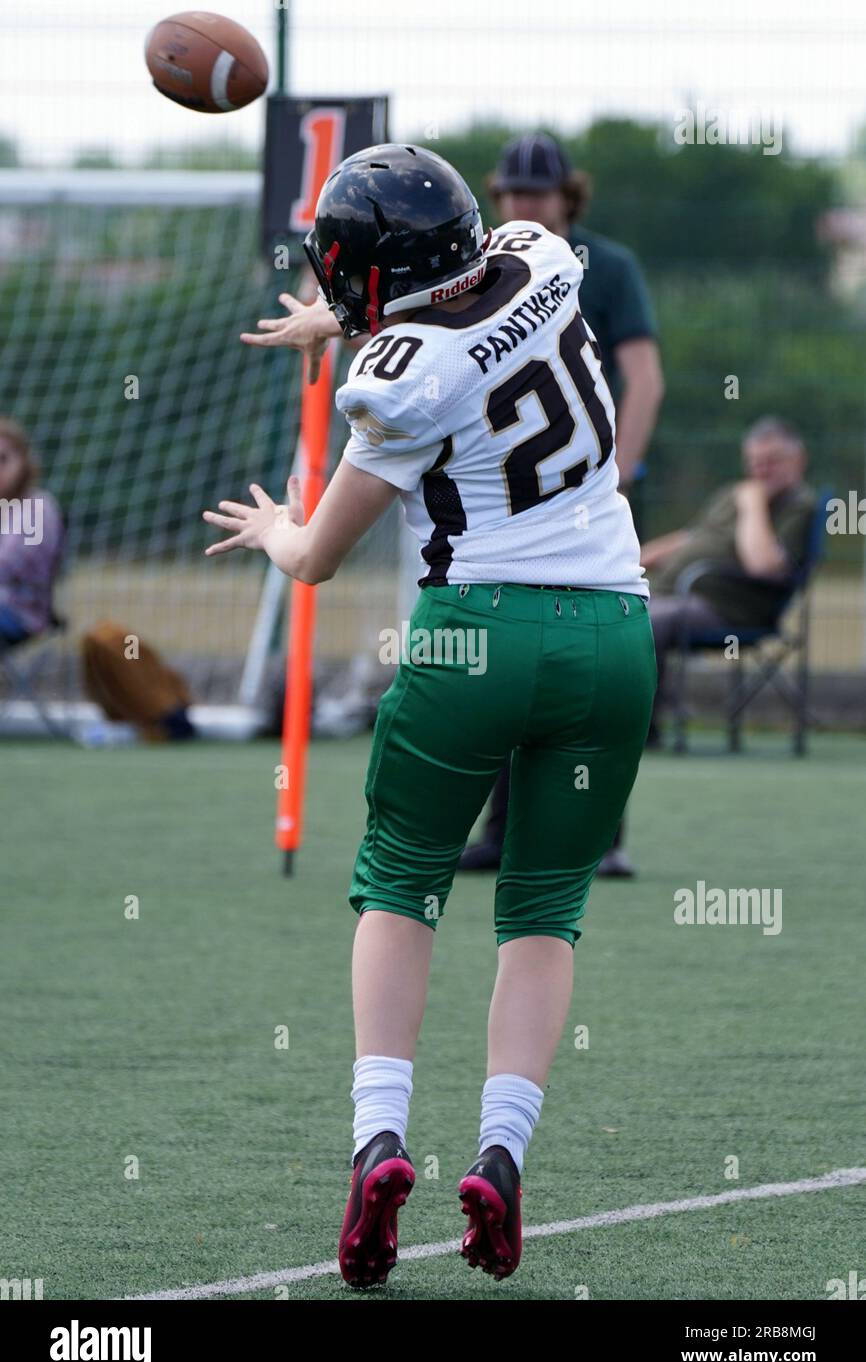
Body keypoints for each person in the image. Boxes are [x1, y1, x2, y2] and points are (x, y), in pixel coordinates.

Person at [204, 144, 656, 1288]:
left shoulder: (394, 378)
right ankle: (501, 1156)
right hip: (612, 634)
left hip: (476, 634)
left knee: (399, 879)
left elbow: (315, 557)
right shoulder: (545, 253)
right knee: (545, 906)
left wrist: (271, 530)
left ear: (371, 283)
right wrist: (349, 318)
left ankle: (378, 1140)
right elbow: (462, 312)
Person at [457, 132, 665, 877]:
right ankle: (502, 829)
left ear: (566, 196)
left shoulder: (605, 268)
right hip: (513, 499)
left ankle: (599, 838)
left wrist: (621, 470)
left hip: (589, 495)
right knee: (519, 653)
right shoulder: (484, 266)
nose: (522, 206)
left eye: (536, 193)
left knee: (595, 655)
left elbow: (645, 378)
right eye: (511, 193)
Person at [641, 417, 816, 733]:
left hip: (729, 610)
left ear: (799, 461)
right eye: (754, 462)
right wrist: (633, 560)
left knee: (646, 621)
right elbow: (693, 537)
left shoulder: (799, 505)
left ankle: (641, 726)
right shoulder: (731, 494)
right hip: (674, 594)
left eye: (772, 462)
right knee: (616, 611)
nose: (761, 471)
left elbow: (762, 564)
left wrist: (752, 504)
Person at [0, 417, 64, 651]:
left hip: (20, 614)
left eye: (3, 459)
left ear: (24, 461)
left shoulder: (37, 507)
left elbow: (6, 565)